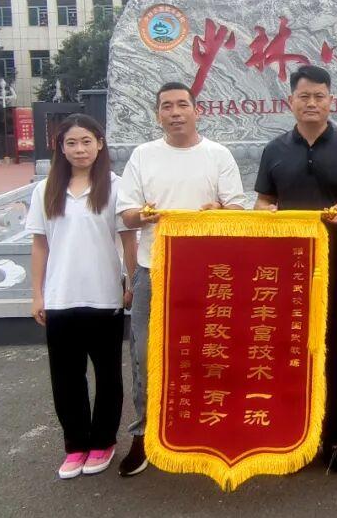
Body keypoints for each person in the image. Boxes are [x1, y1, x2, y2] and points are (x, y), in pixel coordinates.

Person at [254, 65, 337, 473]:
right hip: (288, 267)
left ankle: (336, 436)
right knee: (290, 348)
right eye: (304, 96)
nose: (311, 103)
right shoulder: (274, 150)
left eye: (319, 96)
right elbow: (262, 201)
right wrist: (266, 212)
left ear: (331, 101)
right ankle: (293, 433)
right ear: (290, 101)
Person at [115, 82, 245, 477]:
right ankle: (144, 433)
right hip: (153, 270)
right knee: (144, 354)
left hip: (207, 273)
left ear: (196, 110)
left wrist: (217, 211)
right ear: (158, 114)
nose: (175, 113)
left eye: (182, 105)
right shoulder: (143, 155)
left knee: (210, 351)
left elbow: (237, 210)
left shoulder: (218, 155)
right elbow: (127, 214)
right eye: (167, 106)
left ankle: (208, 426)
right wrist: (144, 215)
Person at [26, 114, 137, 479]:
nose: (80, 149)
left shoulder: (117, 187)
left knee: (107, 376)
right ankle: (75, 445)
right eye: (71, 143)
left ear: (100, 144)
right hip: (60, 297)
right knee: (66, 377)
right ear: (60, 148)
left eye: (87, 141)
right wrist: (37, 294)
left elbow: (128, 241)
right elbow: (40, 245)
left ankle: (103, 441)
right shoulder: (45, 190)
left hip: (104, 296)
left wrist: (131, 283)